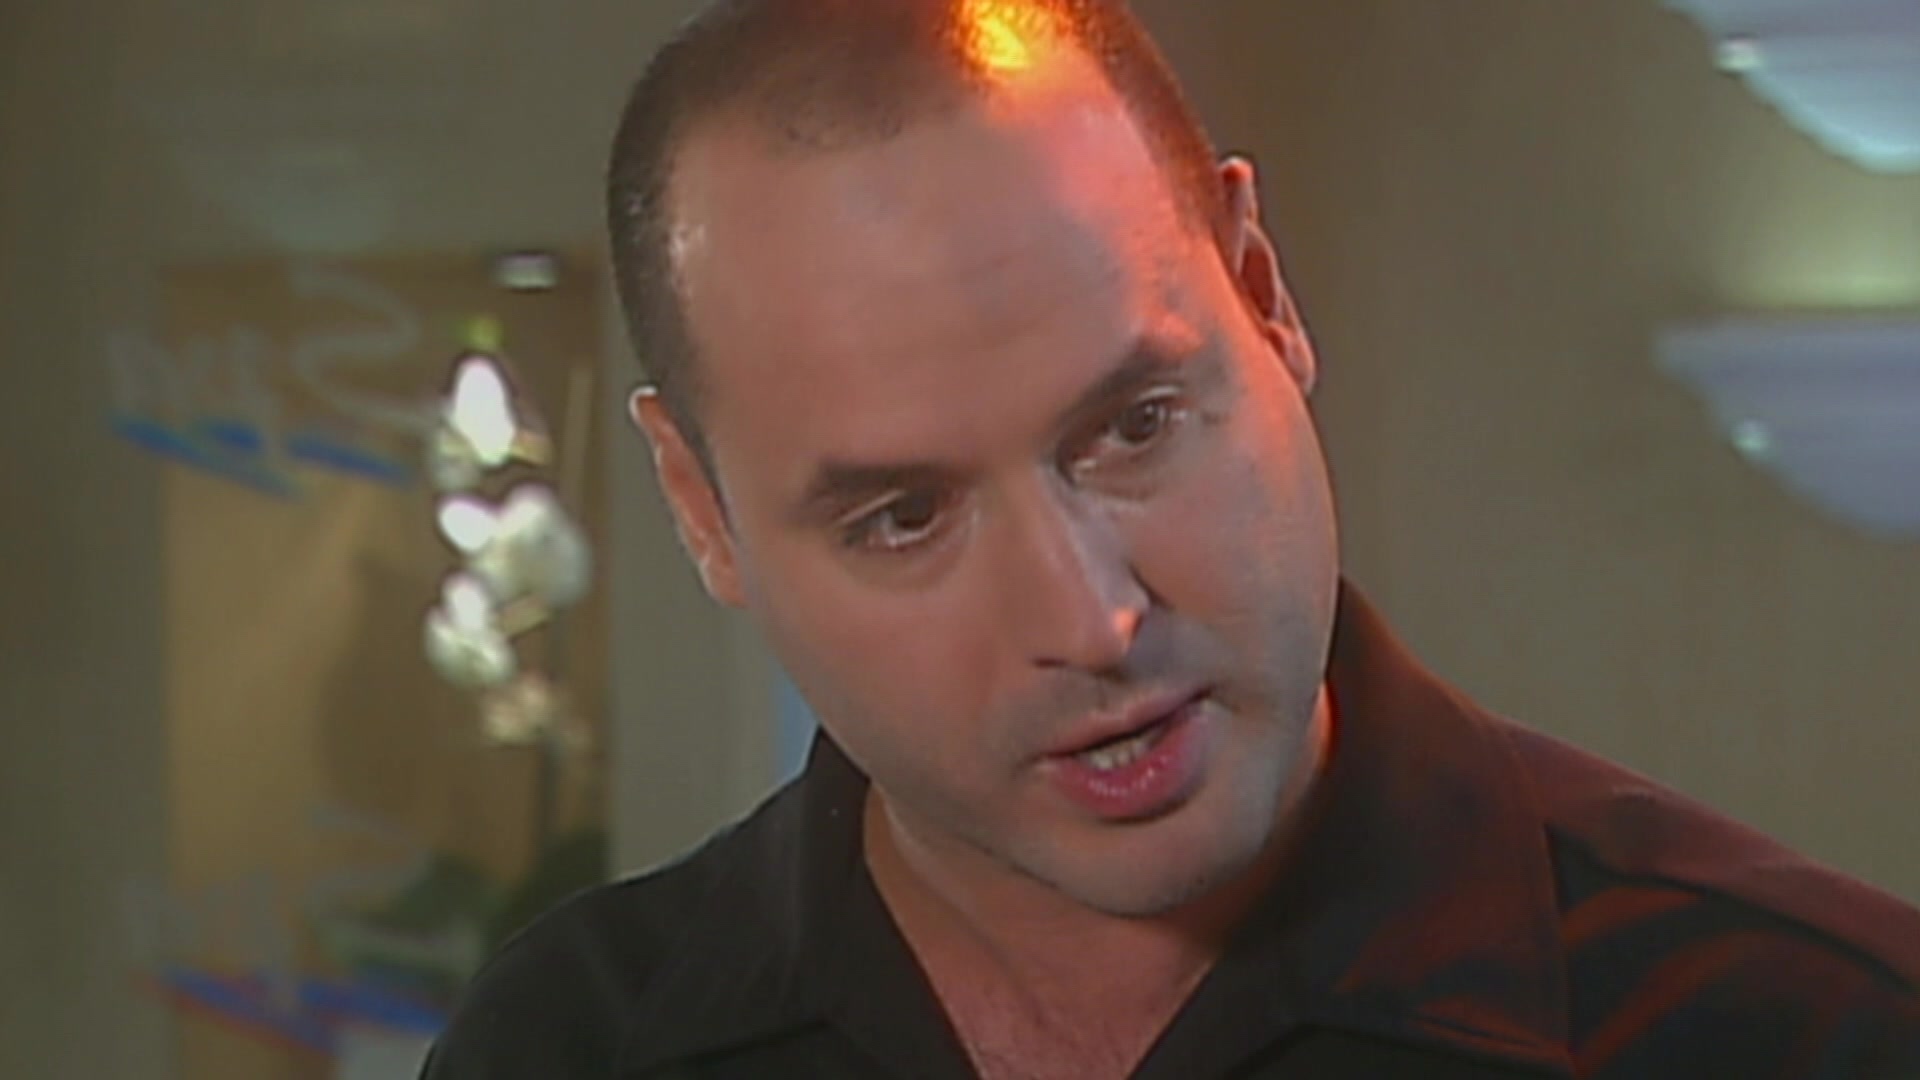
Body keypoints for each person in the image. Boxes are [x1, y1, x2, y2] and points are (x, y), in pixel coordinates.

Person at [421, 1, 1920, 1076]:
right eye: (904, 517)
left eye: (1134, 425)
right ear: (701, 511)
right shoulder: (567, 1046)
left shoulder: (1814, 1031)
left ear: (1264, 295)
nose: (1092, 620)